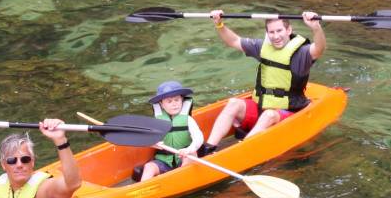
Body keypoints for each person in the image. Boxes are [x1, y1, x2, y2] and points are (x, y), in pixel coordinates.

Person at [198, 10, 325, 155]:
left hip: (288, 111)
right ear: (267, 33)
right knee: (233, 103)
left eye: (279, 31)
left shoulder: (301, 53)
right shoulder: (262, 47)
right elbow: (233, 41)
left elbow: (319, 49)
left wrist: (316, 27)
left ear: (289, 30)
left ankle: (239, 152)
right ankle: (208, 148)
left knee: (269, 115)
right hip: (261, 107)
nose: (276, 36)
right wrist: (219, 24)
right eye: (271, 32)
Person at [136, 81, 203, 181]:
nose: (174, 104)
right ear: (161, 104)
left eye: (177, 100)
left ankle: (181, 180)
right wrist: (153, 143)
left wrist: (189, 149)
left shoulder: (188, 120)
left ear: (182, 100)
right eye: (169, 101)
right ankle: (141, 190)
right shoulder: (157, 122)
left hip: (184, 156)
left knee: (190, 156)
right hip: (164, 160)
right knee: (149, 167)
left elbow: (199, 138)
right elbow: (147, 139)